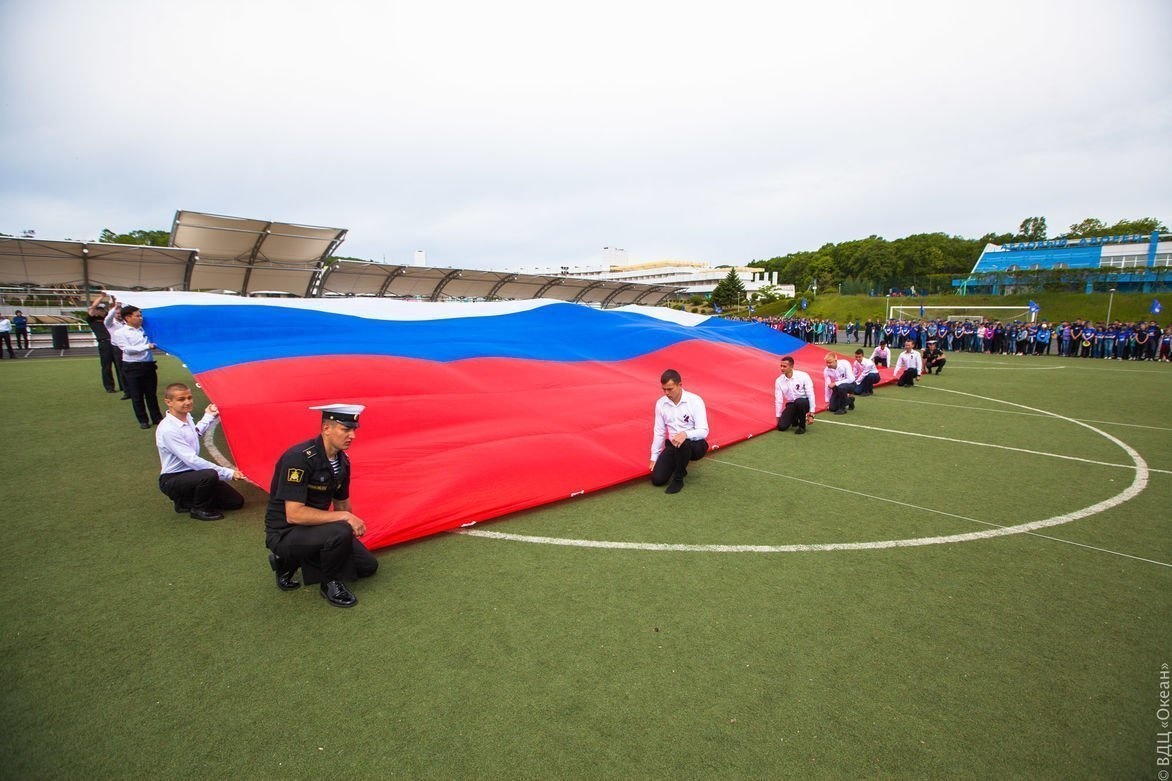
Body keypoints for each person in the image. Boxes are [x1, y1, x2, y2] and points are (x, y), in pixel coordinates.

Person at [265, 404, 379, 608]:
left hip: (313, 530)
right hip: (286, 532)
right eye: (345, 429)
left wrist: (347, 533)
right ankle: (330, 584)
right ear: (326, 428)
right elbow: (294, 514)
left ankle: (290, 561)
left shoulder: (343, 461)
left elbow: (342, 502)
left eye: (353, 430)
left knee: (368, 566)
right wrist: (345, 520)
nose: (352, 435)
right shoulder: (299, 458)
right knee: (341, 528)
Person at [156, 383, 246, 521]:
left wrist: (208, 416)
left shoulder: (186, 417)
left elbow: (194, 433)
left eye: (189, 397)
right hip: (173, 479)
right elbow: (192, 460)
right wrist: (228, 473)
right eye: (181, 399)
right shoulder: (168, 430)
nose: (187, 402)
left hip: (192, 473)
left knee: (235, 502)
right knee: (209, 475)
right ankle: (199, 509)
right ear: (169, 402)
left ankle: (185, 502)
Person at [649, 369, 709, 494]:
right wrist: (654, 456)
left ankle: (678, 479)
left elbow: (703, 431)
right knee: (657, 479)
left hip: (696, 445)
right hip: (674, 446)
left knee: (684, 443)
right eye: (664, 389)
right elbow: (659, 431)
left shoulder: (695, 401)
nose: (667, 393)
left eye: (670, 389)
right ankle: (680, 464)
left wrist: (686, 434)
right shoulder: (661, 404)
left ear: (680, 385)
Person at [111, 304, 163, 428]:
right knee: (137, 395)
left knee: (151, 394)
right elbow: (127, 349)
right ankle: (143, 420)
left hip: (148, 365)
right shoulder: (120, 332)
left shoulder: (145, 329)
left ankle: (157, 418)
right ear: (128, 318)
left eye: (141, 315)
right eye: (137, 316)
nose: (140, 318)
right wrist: (147, 346)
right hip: (132, 367)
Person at [86, 294, 125, 395]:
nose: (100, 311)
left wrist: (115, 299)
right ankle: (109, 387)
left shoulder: (109, 318)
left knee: (120, 365)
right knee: (106, 366)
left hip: (115, 343)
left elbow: (114, 309)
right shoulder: (92, 320)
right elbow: (92, 308)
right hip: (105, 343)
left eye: (102, 309)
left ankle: (123, 386)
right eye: (99, 309)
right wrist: (101, 296)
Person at [774, 356, 816, 434]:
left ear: (792, 366)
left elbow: (811, 394)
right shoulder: (779, 381)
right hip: (792, 404)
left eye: (784, 366)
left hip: (804, 403)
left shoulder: (803, 376)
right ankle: (794, 418)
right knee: (781, 427)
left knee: (799, 402)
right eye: (781, 366)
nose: (782, 368)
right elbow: (778, 400)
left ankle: (802, 427)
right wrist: (778, 416)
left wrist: (812, 413)